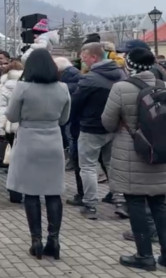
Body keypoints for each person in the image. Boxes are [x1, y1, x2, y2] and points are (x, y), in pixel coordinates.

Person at [101, 48, 166, 272]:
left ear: (129, 65)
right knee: (160, 204)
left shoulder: (121, 87)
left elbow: (107, 122)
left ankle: (144, 255)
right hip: (160, 152)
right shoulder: (165, 86)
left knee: (135, 204)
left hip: (131, 153)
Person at [5, 49, 71, 260]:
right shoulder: (62, 88)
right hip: (53, 141)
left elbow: (12, 115)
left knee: (31, 192)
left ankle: (36, 241)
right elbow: (64, 119)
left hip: (29, 141)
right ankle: (54, 240)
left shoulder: (23, 87)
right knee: (53, 192)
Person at [71, 43, 126, 219]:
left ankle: (90, 205)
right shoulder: (121, 75)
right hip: (115, 127)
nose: (83, 61)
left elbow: (76, 103)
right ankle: (121, 201)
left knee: (88, 166)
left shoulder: (90, 79)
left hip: (91, 127)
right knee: (112, 165)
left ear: (94, 57)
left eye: (84, 57)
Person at [0, 60, 24, 203]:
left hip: (11, 126)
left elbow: (2, 109)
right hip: (26, 127)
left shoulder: (4, 87)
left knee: (14, 159)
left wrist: (1, 128)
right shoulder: (27, 85)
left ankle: (15, 193)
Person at [54, 57, 81, 172]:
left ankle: (73, 160)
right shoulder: (74, 75)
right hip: (73, 112)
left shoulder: (68, 79)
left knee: (71, 137)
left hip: (71, 113)